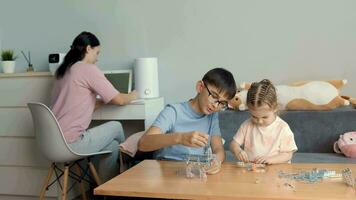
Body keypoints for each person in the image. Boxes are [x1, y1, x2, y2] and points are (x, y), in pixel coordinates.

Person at [51, 31, 138, 181]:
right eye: (97, 53)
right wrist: (134, 95)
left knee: (111, 146)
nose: (97, 58)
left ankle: (103, 190)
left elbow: (75, 103)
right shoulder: (87, 69)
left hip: (54, 141)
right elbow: (120, 100)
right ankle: (127, 175)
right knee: (116, 126)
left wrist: (105, 99)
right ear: (88, 48)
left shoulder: (64, 70)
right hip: (73, 142)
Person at [138, 68, 237, 174]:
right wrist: (180, 138)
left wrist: (216, 160)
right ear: (200, 87)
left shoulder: (212, 116)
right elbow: (143, 144)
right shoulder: (173, 111)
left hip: (194, 171)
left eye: (222, 103)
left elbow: (218, 148)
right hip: (167, 171)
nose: (215, 105)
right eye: (213, 96)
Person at [230, 79, 298, 164]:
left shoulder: (282, 128)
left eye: (265, 117)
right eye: (254, 116)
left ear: (275, 108)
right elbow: (233, 144)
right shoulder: (247, 125)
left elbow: (288, 154)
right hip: (252, 172)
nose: (259, 121)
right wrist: (238, 151)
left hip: (275, 173)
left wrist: (270, 160)